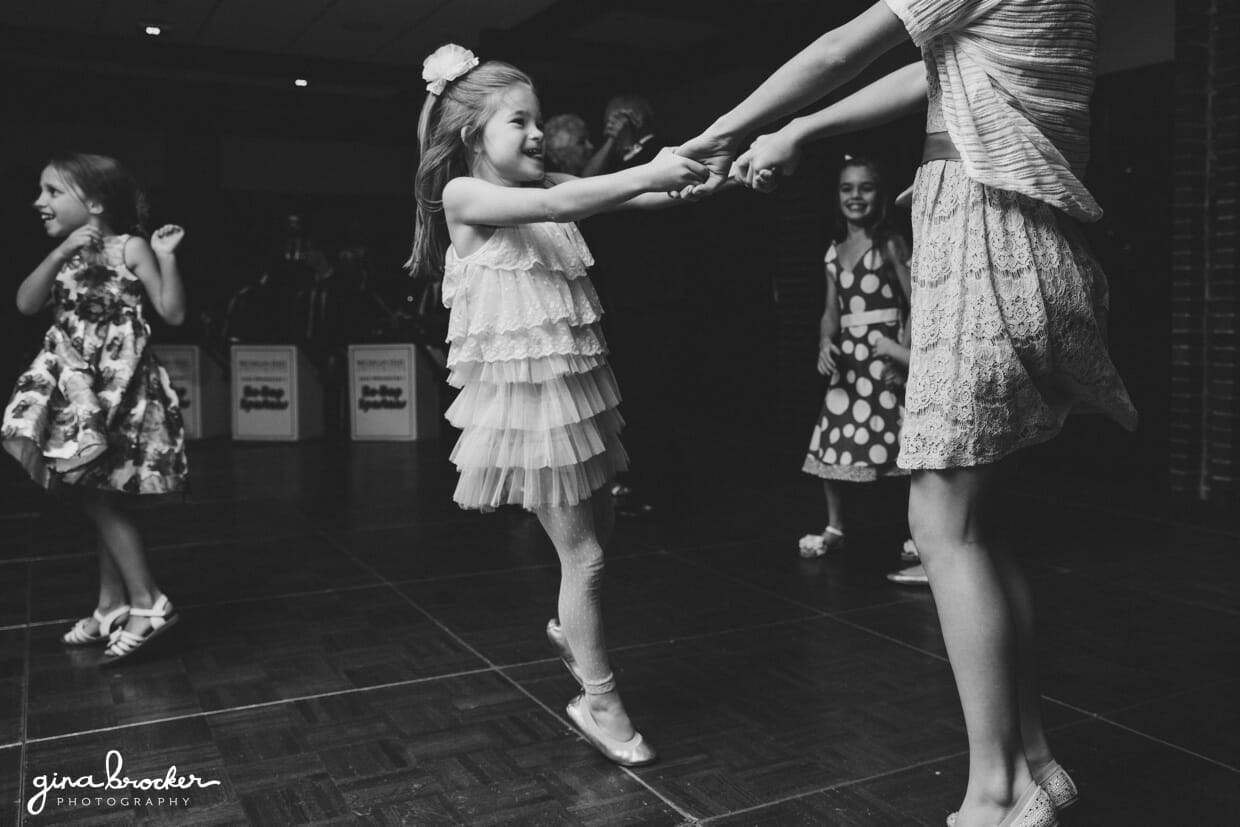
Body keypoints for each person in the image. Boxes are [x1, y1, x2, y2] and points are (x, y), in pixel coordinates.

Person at [677, 2, 1137, 825]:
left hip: (984, 247)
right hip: (1038, 251)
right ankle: (1035, 761)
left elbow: (835, 49)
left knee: (940, 524)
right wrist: (799, 132)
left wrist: (724, 132)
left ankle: (999, 793)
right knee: (977, 527)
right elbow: (926, 71)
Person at [408, 44, 706, 767]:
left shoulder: (547, 180)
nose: (539, 134)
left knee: (602, 540)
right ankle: (598, 701)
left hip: (575, 398)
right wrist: (650, 167)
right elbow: (554, 203)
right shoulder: (465, 197)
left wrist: (711, 175)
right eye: (521, 121)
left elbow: (632, 196)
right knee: (589, 557)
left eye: (539, 120)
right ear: (475, 134)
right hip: (527, 410)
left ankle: (570, 631)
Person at [2, 153, 188, 666]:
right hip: (76, 388)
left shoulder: (130, 246)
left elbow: (171, 312)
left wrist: (165, 256)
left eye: (53, 192)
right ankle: (112, 606)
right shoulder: (61, 252)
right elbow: (25, 303)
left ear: (95, 202)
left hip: (120, 391)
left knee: (98, 496)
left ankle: (148, 603)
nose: (40, 202)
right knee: (99, 492)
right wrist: (61, 250)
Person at [798, 156, 919, 571]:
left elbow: (915, 301)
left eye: (864, 188)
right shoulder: (834, 252)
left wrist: (901, 353)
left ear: (879, 195)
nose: (855, 196)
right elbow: (831, 311)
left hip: (884, 356)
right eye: (847, 188)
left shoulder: (889, 244)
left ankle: (919, 530)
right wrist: (825, 343)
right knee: (832, 437)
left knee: (904, 445)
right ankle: (834, 526)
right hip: (849, 363)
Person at [580, 94, 689, 517]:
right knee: (630, 395)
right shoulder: (611, 159)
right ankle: (639, 476)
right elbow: (587, 188)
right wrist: (611, 143)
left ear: (634, 118)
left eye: (613, 119)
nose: (607, 127)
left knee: (652, 393)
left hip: (657, 293)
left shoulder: (659, 149)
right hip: (624, 295)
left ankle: (662, 486)